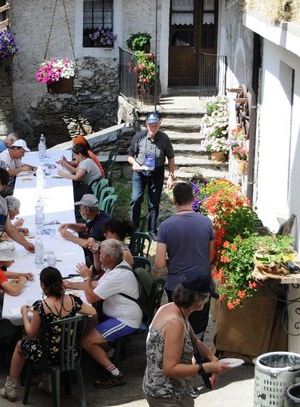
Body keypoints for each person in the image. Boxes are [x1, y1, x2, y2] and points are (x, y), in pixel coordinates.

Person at [0, 267, 97, 401]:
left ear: (43, 286)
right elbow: (92, 311)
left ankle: (10, 388)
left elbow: (31, 333)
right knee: (44, 339)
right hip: (70, 353)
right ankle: (47, 383)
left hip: (48, 356)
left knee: (19, 345)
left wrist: (23, 315)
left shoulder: (41, 306)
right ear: (61, 283)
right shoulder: (74, 300)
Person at [143, 271, 231, 406]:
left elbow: (195, 341)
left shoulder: (174, 309)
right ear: (199, 299)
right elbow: (170, 369)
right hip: (165, 394)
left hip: (174, 390)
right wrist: (206, 367)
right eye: (207, 297)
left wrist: (212, 357)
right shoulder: (175, 323)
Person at [155, 182, 215, 339]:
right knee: (198, 329)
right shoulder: (207, 222)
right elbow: (210, 257)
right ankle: (197, 358)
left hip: (176, 285)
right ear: (193, 198)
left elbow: (160, 263)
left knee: (179, 327)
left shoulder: (165, 226)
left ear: (174, 200)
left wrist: (173, 260)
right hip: (202, 285)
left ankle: (178, 358)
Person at [80, 239, 142, 389]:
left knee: (86, 341)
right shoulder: (115, 266)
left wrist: (86, 277)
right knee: (91, 321)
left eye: (100, 253)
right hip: (117, 314)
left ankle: (116, 374)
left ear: (107, 257)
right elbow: (97, 285)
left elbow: (91, 297)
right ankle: (110, 352)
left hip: (126, 319)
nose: (98, 256)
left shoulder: (118, 275)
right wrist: (68, 285)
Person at [127, 111, 175, 240]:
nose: (153, 127)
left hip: (157, 172)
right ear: (146, 125)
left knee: (154, 203)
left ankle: (152, 230)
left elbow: (171, 157)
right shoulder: (139, 137)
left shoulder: (164, 138)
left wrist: (171, 176)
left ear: (159, 124)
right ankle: (133, 227)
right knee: (136, 199)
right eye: (150, 125)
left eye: (155, 124)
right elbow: (130, 156)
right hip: (140, 172)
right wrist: (134, 164)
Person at [58, 194, 110, 265]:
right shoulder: (98, 215)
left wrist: (69, 236)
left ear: (87, 210)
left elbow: (88, 244)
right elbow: (85, 227)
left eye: (80, 208)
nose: (79, 210)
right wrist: (69, 225)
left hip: (97, 259)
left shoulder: (101, 224)